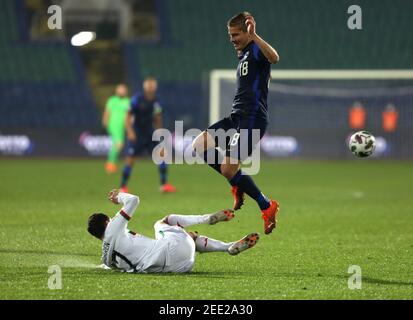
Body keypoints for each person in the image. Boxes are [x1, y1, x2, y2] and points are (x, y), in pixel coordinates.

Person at [192, 12, 280, 235]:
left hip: (252, 119)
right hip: (236, 117)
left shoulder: (257, 50)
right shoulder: (243, 54)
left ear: (247, 32)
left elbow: (275, 57)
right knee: (199, 144)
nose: (232, 39)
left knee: (229, 168)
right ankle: (236, 183)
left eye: (236, 34)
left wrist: (255, 35)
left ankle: (266, 206)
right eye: (230, 35)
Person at [87, 189, 260, 273]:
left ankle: (228, 247)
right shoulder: (112, 229)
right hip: (172, 249)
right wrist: (118, 198)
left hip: (180, 267)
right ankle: (205, 219)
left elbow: (109, 263)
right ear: (107, 222)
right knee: (162, 222)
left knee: (182, 238)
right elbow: (134, 200)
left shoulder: (107, 259)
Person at [120, 77, 176, 193]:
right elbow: (128, 116)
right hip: (137, 134)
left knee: (161, 156)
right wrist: (130, 131)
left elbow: (157, 117)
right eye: (148, 85)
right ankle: (123, 186)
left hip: (151, 133)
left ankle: (164, 185)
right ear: (145, 87)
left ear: (155, 87)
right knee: (130, 159)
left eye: (152, 85)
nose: (150, 87)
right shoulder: (137, 99)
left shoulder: (157, 101)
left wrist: (160, 131)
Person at [102, 84, 130, 174]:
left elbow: (129, 115)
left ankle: (111, 164)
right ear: (117, 91)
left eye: (123, 90)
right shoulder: (112, 100)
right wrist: (105, 122)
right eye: (120, 89)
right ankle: (110, 165)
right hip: (113, 125)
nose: (122, 91)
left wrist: (128, 125)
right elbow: (107, 112)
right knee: (119, 144)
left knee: (117, 145)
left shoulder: (128, 101)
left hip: (122, 126)